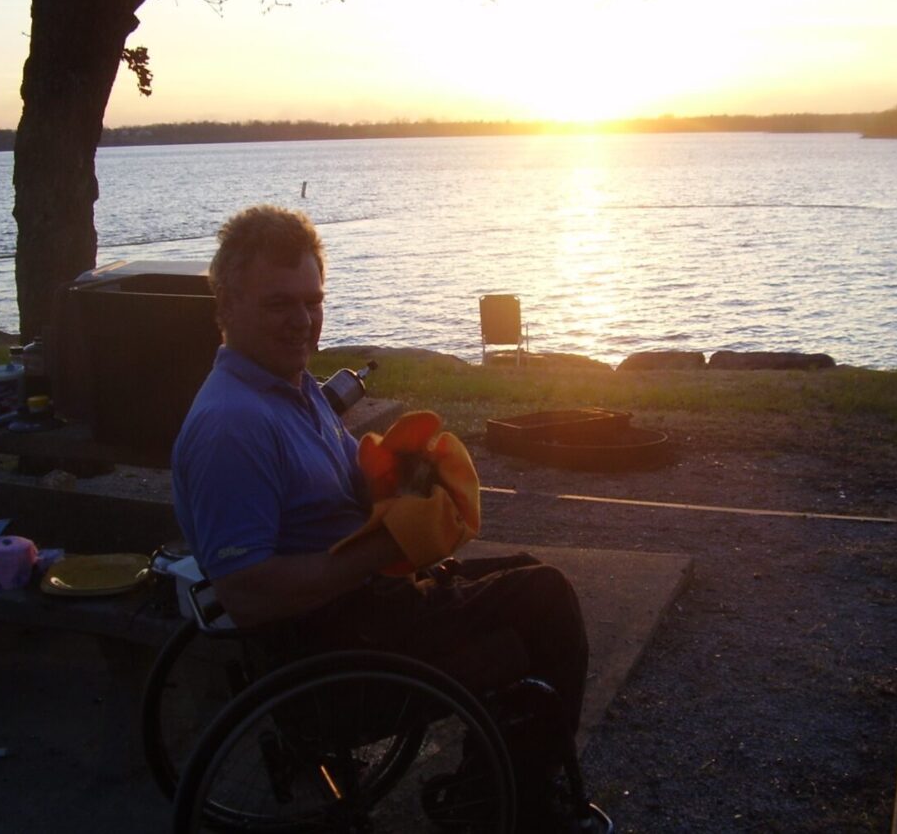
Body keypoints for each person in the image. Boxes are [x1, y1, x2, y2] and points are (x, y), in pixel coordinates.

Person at [171, 204, 596, 831]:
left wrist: (411, 478)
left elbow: (352, 487)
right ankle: (508, 808)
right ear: (227, 307)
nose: (303, 322)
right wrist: (390, 543)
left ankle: (491, 787)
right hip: (340, 659)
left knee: (528, 572)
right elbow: (250, 594)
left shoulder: (293, 389)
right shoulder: (234, 427)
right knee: (545, 602)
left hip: (371, 613)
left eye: (313, 301)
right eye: (279, 304)